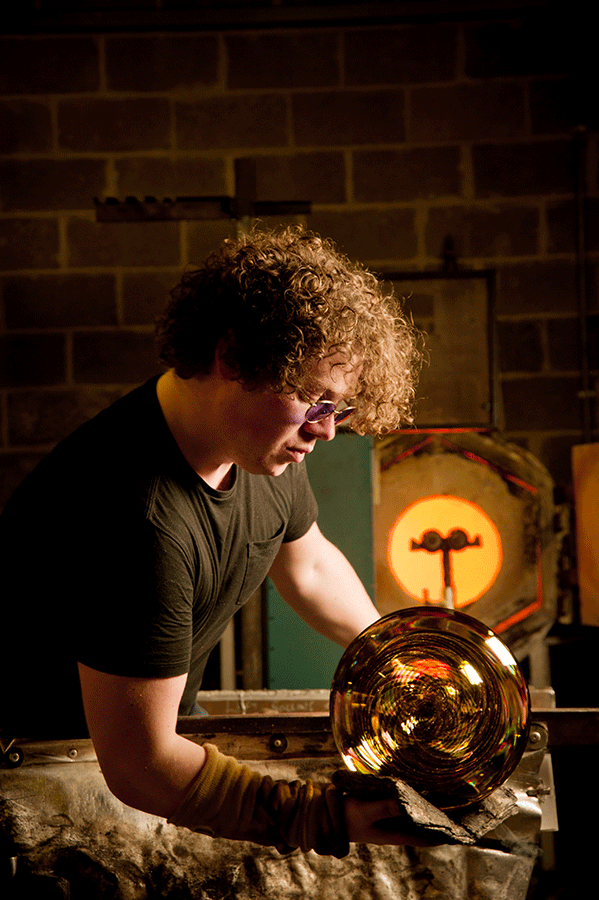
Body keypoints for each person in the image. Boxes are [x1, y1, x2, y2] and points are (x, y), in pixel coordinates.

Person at [0, 226, 422, 857]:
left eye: (338, 408)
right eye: (315, 401)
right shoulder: (135, 515)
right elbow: (141, 764)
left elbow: (307, 565)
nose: (326, 430)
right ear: (233, 358)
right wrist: (321, 819)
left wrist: (395, 653)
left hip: (122, 765)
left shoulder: (258, 447)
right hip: (40, 790)